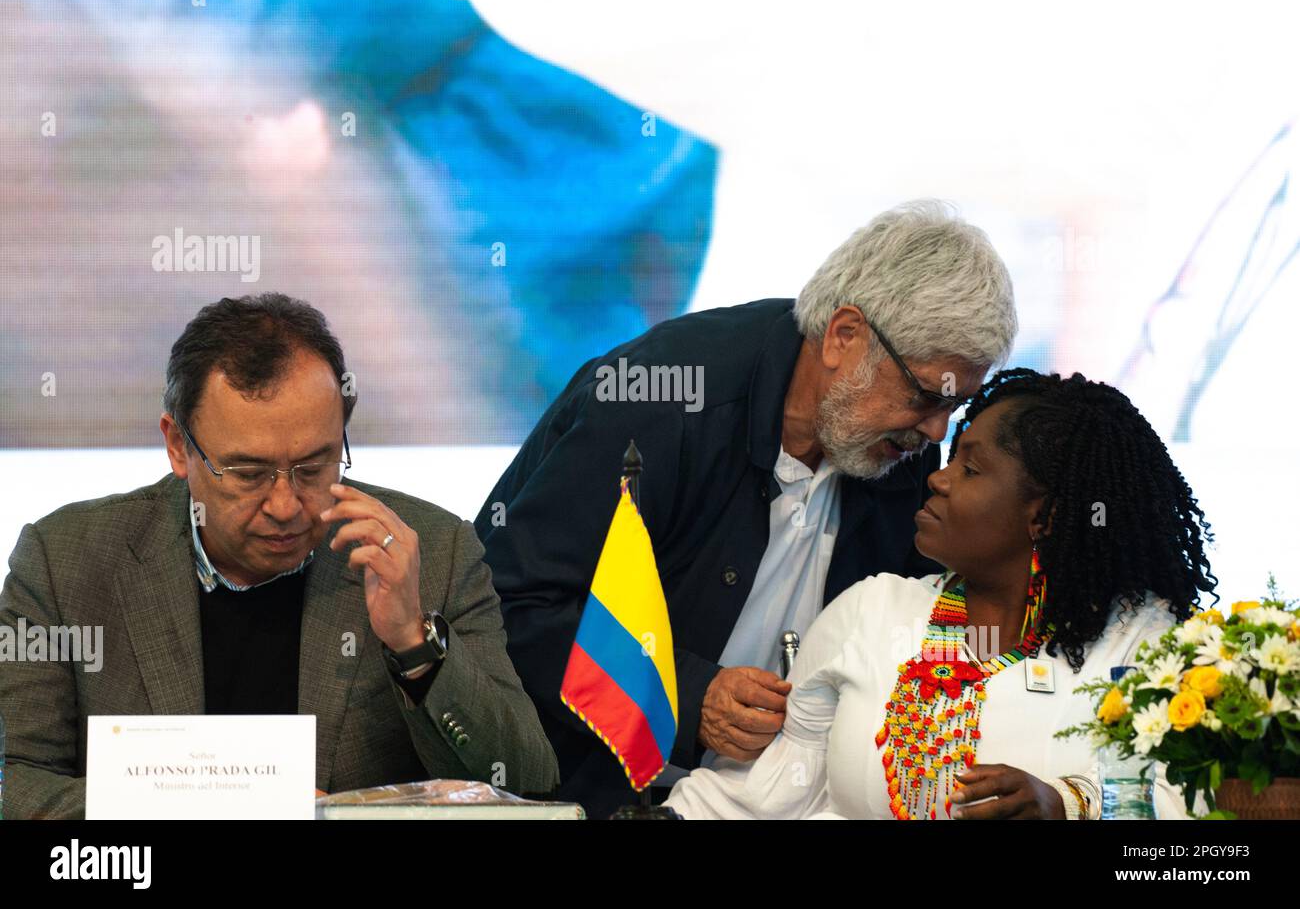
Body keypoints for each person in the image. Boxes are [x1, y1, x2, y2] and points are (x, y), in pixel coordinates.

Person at [475, 201, 1019, 816]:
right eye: (924, 395)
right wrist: (684, 697)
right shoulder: (660, 400)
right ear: (844, 336)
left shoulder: (901, 449)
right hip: (590, 795)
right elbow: (507, 607)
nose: (935, 431)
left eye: (956, 406)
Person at [0, 294, 559, 819]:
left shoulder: (431, 553)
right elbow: (16, 782)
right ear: (178, 446)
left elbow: (526, 784)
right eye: (248, 473)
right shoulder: (66, 562)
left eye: (315, 468)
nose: (286, 505)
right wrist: (226, 805)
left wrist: (415, 644)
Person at [666, 369, 1217, 819]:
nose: (938, 478)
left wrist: (1067, 806)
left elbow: (1190, 809)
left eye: (971, 468)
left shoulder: (1146, 645)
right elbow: (766, 795)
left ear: (1044, 516)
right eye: (951, 458)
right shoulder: (871, 612)